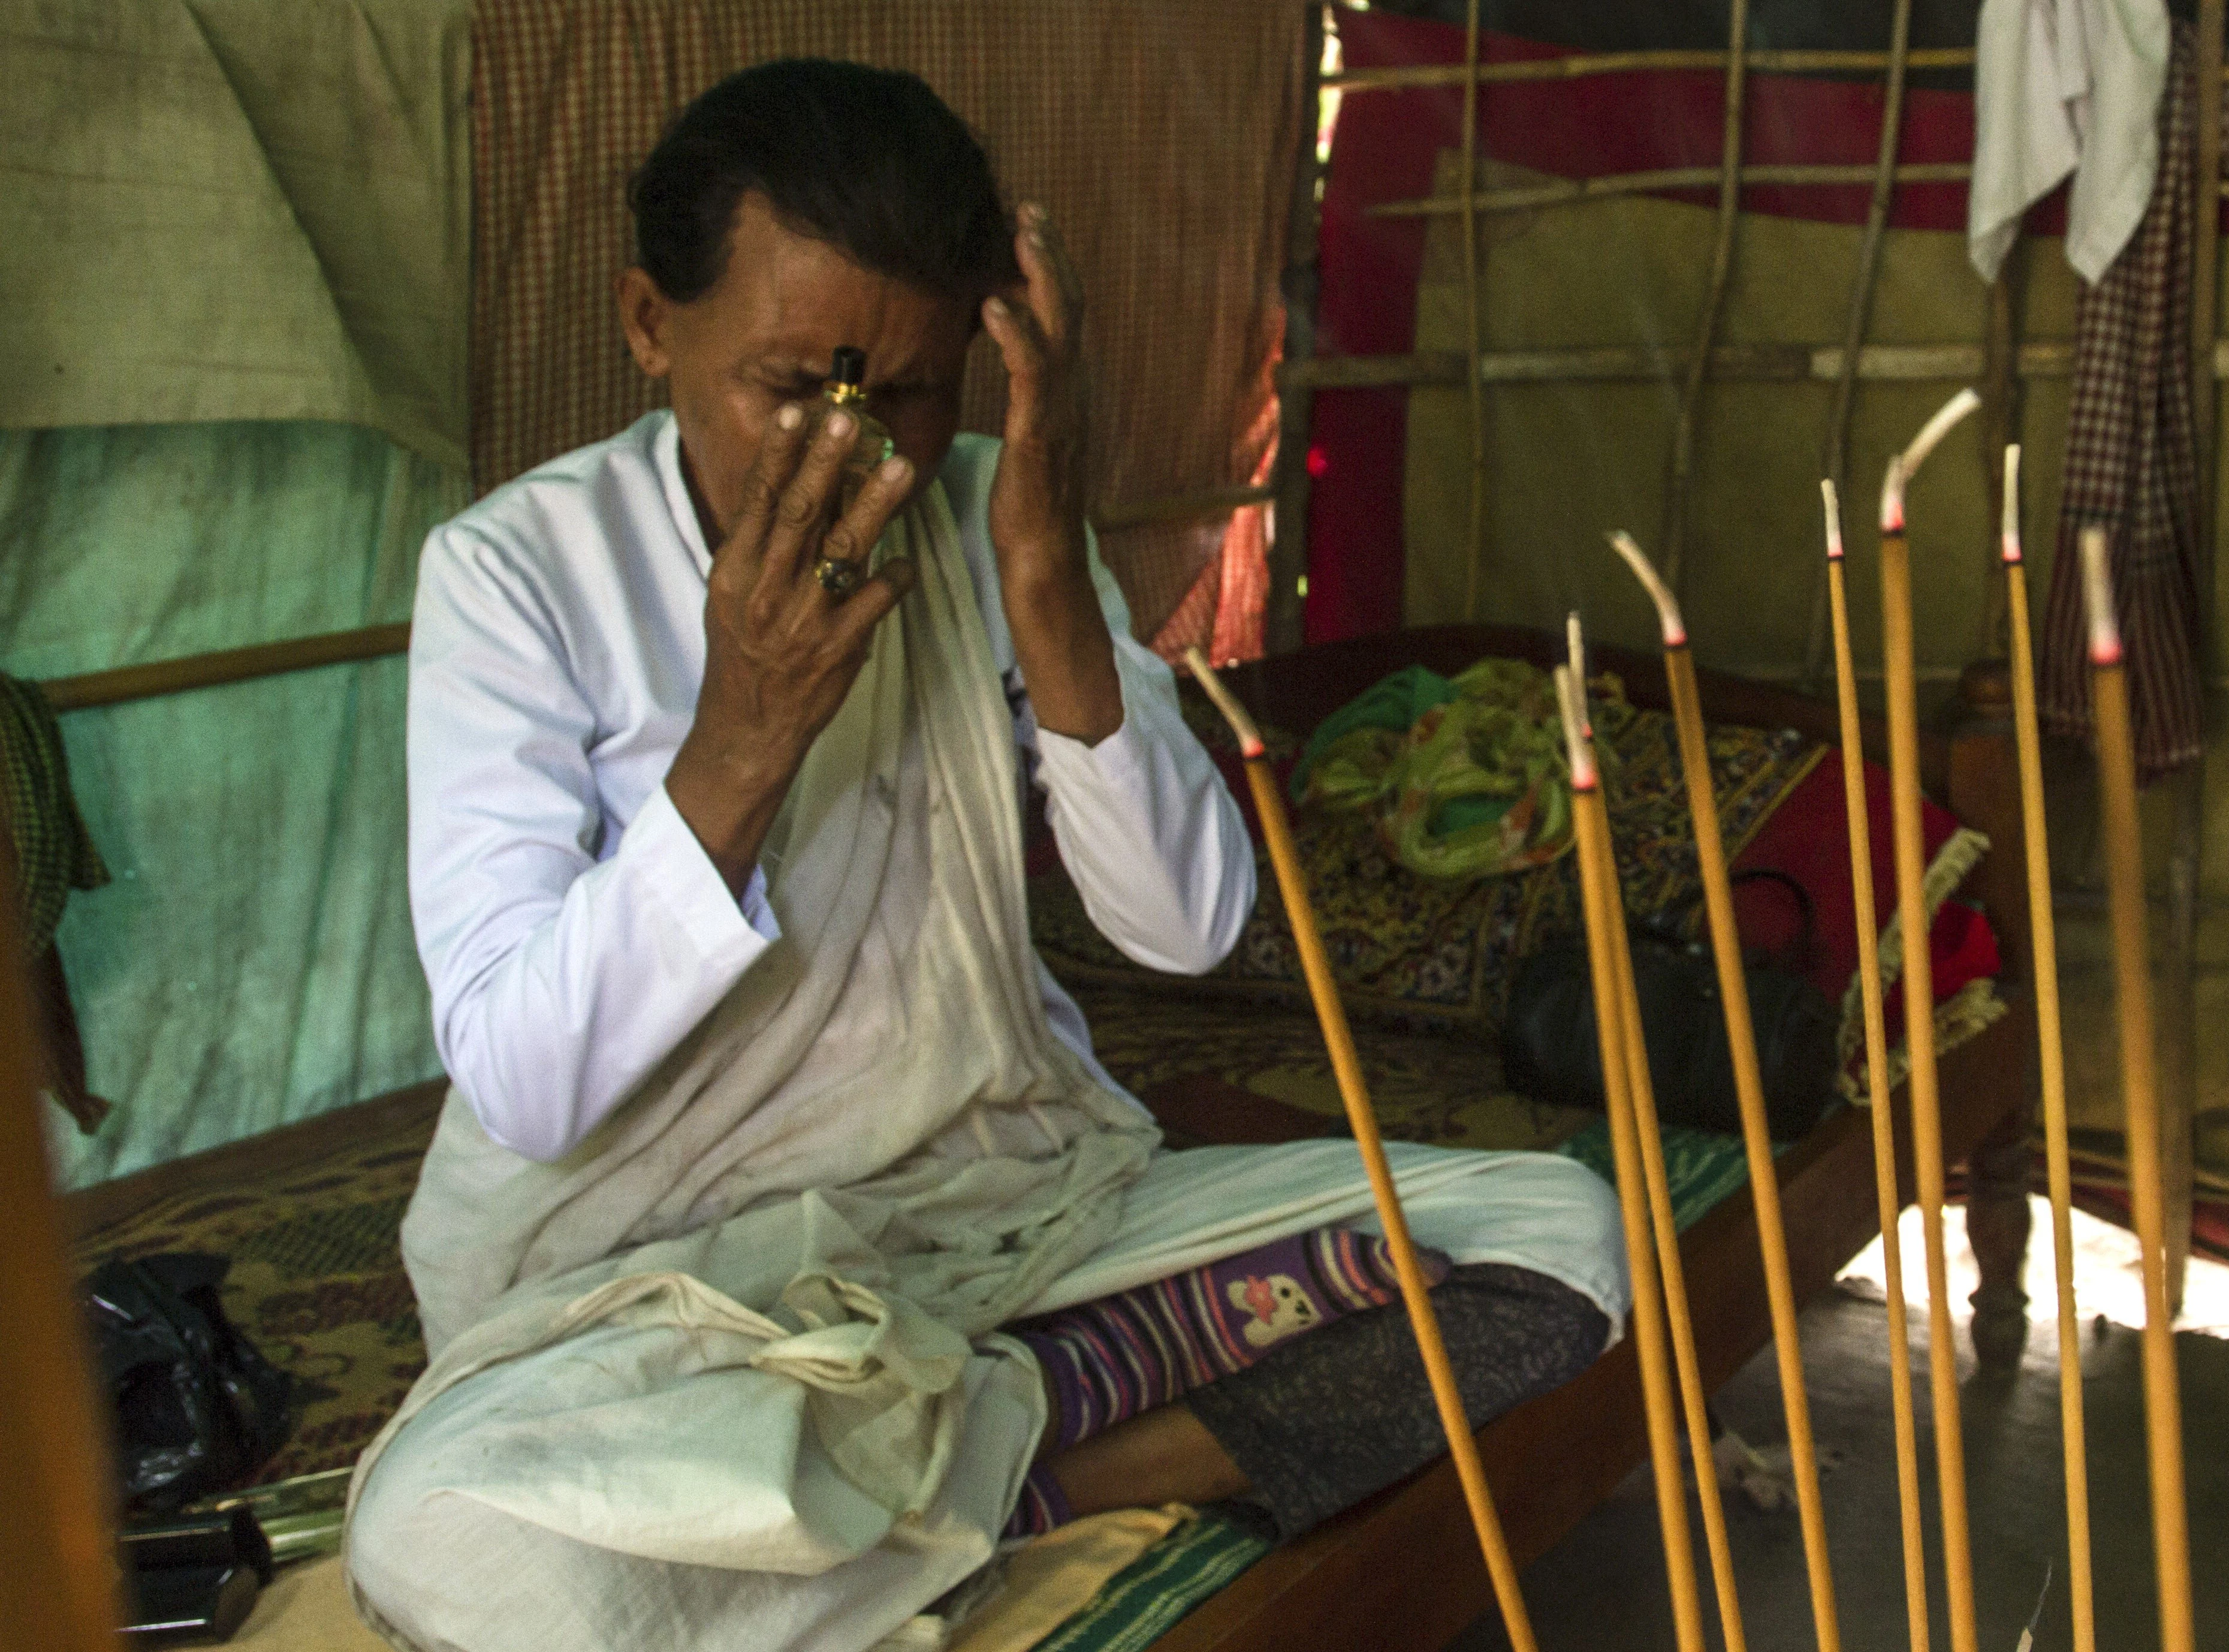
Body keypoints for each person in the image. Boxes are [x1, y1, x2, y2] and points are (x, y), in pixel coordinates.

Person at [343, 59, 1624, 1652]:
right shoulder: (518, 577)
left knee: (1564, 1235)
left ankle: (1003, 1475)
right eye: (785, 389)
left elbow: (1185, 929)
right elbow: (525, 1087)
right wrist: (740, 741)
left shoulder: (978, 517)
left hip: (992, 1211)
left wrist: (1040, 577)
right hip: (655, 1282)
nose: (855, 452)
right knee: (445, 1536)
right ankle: (991, 1458)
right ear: (646, 326)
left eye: (906, 394)